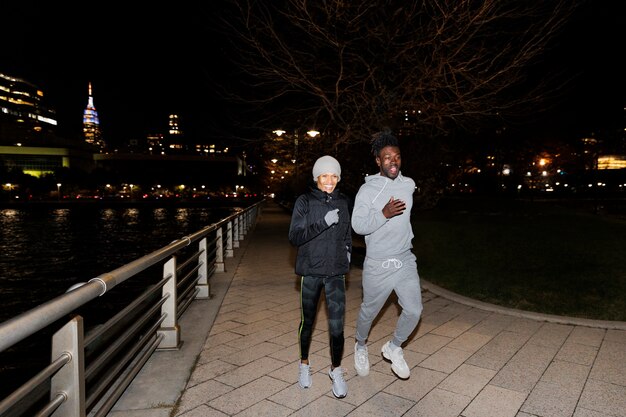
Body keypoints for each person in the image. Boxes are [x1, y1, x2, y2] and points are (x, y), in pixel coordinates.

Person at [351, 129, 423, 380]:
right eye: (387, 157)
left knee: (414, 310)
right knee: (369, 312)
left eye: (397, 157)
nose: (393, 161)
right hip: (378, 263)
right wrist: (384, 213)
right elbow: (358, 226)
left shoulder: (409, 184)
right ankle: (360, 345)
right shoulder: (367, 191)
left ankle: (393, 348)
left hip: (404, 259)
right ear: (378, 161)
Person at [288, 155, 353, 398]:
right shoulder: (304, 201)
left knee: (337, 328)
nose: (329, 180)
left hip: (335, 273)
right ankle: (304, 364)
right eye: (324, 176)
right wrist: (323, 223)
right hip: (311, 271)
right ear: (316, 178)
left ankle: (336, 370)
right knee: (308, 323)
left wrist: (346, 256)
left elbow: (346, 234)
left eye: (334, 176)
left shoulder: (344, 202)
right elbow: (295, 236)